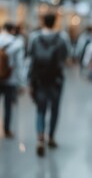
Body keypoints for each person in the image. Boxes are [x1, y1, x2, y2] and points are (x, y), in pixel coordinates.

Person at [28, 13, 69, 157]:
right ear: (55, 21)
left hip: (39, 79)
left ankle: (40, 137)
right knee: (55, 109)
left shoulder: (34, 38)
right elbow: (66, 57)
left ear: (42, 21)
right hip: (56, 79)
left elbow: (31, 59)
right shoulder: (62, 38)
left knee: (40, 109)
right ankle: (51, 137)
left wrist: (29, 80)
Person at [0, 22, 25, 147]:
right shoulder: (17, 43)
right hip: (10, 80)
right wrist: (21, 83)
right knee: (8, 106)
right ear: (12, 30)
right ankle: (6, 130)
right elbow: (19, 64)